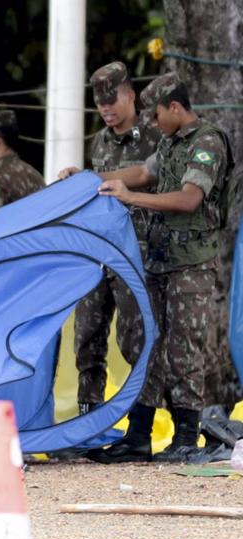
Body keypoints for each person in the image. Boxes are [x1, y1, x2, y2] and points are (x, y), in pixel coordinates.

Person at [91, 72, 232, 463]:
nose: (151, 124)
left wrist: (131, 198)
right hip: (159, 260)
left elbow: (189, 199)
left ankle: (186, 436)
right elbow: (142, 172)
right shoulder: (170, 143)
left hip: (192, 265)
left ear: (175, 107)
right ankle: (139, 436)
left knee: (185, 350)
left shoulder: (207, 142)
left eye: (156, 116)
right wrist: (92, 180)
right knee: (145, 345)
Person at [59, 62, 161, 416]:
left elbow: (144, 174)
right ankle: (90, 417)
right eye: (99, 101)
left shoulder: (155, 133)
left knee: (135, 339)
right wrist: (80, 179)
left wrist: (91, 176)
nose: (105, 108)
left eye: (111, 99)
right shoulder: (99, 141)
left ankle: (143, 422)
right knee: (87, 335)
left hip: (137, 251)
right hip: (99, 250)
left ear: (131, 95)